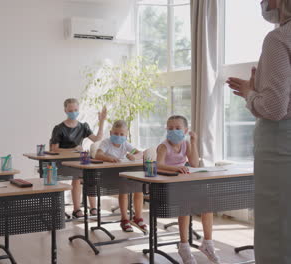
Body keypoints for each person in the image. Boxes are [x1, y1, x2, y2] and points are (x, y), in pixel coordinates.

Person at [227, 1, 291, 262]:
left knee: (276, 232)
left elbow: (275, 108)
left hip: (281, 150)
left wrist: (250, 94)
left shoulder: (279, 38)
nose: (263, 3)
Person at [156, 115, 219, 264]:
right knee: (185, 207)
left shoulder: (186, 144)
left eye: (178, 128)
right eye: (170, 128)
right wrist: (176, 168)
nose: (173, 131)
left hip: (185, 183)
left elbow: (195, 163)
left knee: (207, 205)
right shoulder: (164, 146)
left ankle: (208, 244)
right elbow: (158, 165)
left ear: (185, 130)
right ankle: (184, 246)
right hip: (169, 185)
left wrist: (194, 142)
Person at [50, 98, 106, 218]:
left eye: (76, 110)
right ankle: (76, 209)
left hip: (78, 160)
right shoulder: (59, 128)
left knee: (90, 174)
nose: (73, 112)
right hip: (63, 162)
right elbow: (54, 149)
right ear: (65, 110)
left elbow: (97, 140)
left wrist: (101, 122)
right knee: (76, 177)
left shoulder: (83, 126)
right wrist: (73, 149)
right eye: (71, 110)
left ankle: (93, 207)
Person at [94, 120, 146, 233]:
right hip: (109, 175)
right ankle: (124, 219)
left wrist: (135, 157)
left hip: (123, 173)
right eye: (116, 134)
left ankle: (138, 217)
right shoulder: (106, 143)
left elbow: (140, 153)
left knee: (139, 189)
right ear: (111, 133)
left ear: (126, 135)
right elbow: (98, 154)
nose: (119, 136)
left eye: (122, 134)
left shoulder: (125, 144)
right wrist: (109, 158)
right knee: (124, 190)